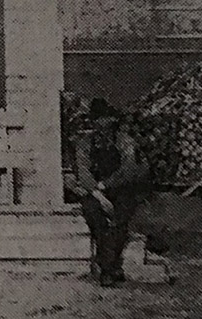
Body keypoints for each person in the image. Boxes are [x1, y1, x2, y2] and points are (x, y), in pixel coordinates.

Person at [71, 97, 149, 287]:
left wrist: (105, 185)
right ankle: (111, 268)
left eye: (107, 122)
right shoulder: (85, 143)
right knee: (93, 214)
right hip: (96, 192)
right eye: (99, 122)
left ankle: (107, 266)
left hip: (122, 189)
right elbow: (83, 172)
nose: (103, 127)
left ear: (113, 122)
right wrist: (97, 194)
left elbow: (129, 169)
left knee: (119, 220)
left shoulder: (125, 141)